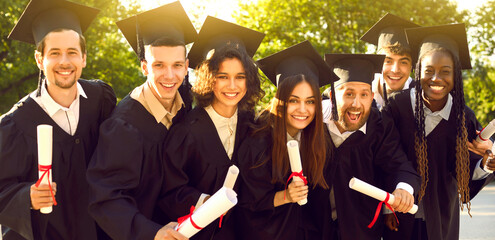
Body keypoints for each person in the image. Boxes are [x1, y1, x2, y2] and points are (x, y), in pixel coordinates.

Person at [0, 0, 116, 239]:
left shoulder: (101, 99)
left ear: (83, 57)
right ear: (39, 60)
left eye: (72, 52)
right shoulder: (15, 125)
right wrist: (26, 197)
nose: (64, 61)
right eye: (54, 53)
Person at [85, 2, 197, 240]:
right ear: (144, 67)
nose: (169, 75)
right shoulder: (124, 126)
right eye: (159, 65)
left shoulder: (185, 108)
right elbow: (105, 199)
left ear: (186, 67)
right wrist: (152, 233)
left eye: (177, 65)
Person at [381, 23, 494, 240]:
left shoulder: (463, 117)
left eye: (445, 72)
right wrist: (388, 207)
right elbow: (387, 158)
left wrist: (485, 166)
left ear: (456, 76)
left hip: (442, 214)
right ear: (418, 71)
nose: (436, 78)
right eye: (429, 71)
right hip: (399, 212)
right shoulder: (397, 107)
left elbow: (468, 169)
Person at [161, 16, 265, 240]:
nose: (232, 86)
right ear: (209, 79)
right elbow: (169, 192)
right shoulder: (187, 131)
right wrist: (205, 201)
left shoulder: (250, 124)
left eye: (240, 77)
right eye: (222, 77)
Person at [309, 53, 420, 240]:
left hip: (360, 229)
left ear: (371, 96)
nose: (356, 104)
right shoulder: (312, 122)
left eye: (364, 95)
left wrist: (404, 188)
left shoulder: (379, 126)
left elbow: (399, 165)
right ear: (332, 95)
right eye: (349, 93)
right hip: (314, 227)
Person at [236, 40, 337, 240]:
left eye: (310, 101)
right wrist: (287, 196)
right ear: (280, 101)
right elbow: (248, 202)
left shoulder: (318, 140)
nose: (302, 110)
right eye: (293, 100)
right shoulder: (258, 141)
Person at [360, 13, 420, 110]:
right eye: (388, 61)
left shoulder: (421, 97)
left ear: (412, 66)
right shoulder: (361, 88)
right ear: (378, 62)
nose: (395, 70)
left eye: (403, 62)